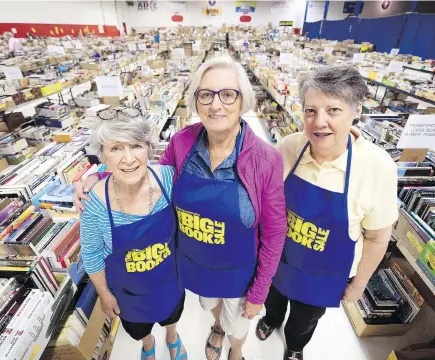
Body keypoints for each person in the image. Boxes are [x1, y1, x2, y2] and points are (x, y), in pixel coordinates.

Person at [74, 57, 287, 360]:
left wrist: (260, 290)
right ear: (196, 101)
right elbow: (146, 176)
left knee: (239, 325)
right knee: (212, 308)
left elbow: (275, 232)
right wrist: (98, 178)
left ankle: (236, 351)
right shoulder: (183, 142)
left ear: (243, 101)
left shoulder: (265, 159)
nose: (216, 105)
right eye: (206, 94)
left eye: (228, 94)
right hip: (193, 267)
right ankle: (216, 328)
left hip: (240, 273)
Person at [255, 65, 399, 360]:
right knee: (274, 299)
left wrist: (359, 283)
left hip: (324, 274)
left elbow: (376, 237)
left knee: (305, 319)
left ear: (356, 110)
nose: (319, 122)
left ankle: (295, 346)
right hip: (280, 259)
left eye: (333, 109)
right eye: (310, 111)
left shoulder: (377, 167)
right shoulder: (288, 147)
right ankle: (271, 319)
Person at [79, 109, 187, 360]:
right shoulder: (94, 203)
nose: (128, 159)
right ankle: (148, 343)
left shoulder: (169, 179)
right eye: (116, 148)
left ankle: (172, 337)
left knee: (173, 315)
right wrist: (104, 293)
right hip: (128, 294)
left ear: (148, 148)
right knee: (139, 329)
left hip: (170, 282)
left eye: (136, 146)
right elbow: (92, 252)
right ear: (102, 153)